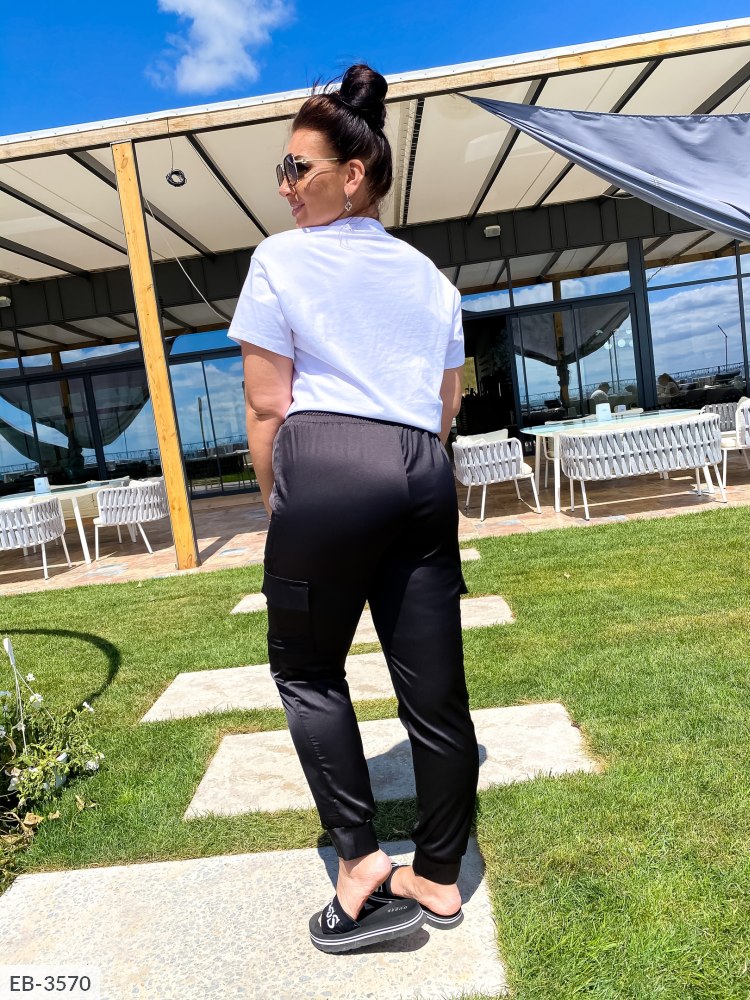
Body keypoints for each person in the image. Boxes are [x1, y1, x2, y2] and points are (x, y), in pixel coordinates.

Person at [228, 64, 479, 954]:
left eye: (298, 168)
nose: (285, 186)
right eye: (285, 170)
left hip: (328, 464)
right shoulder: (433, 279)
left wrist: (278, 502)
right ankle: (439, 877)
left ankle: (362, 861)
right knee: (435, 690)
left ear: (354, 174)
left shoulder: (280, 259)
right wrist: (414, 472)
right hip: (420, 468)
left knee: (307, 670)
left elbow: (266, 404)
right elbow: (447, 405)